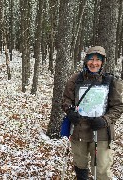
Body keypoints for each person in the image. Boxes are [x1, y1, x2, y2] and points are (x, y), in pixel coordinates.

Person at [62, 46, 123, 180]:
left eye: (98, 60)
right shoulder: (75, 79)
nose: (94, 63)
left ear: (102, 62)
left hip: (101, 132)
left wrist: (105, 120)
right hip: (79, 130)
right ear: (86, 61)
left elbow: (118, 107)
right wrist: (69, 111)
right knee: (80, 165)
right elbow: (66, 100)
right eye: (91, 59)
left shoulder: (110, 81)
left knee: (101, 170)